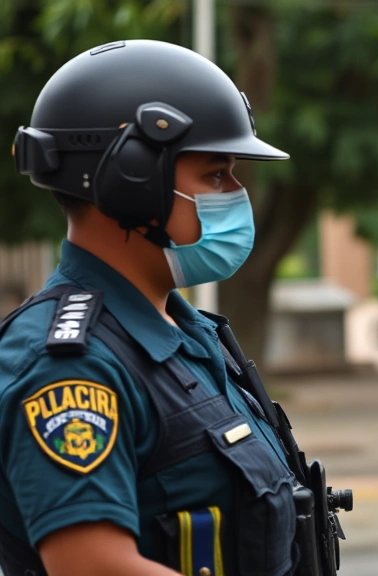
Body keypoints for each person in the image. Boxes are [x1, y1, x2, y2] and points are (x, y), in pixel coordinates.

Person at [0, 40, 300, 576]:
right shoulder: (72, 365)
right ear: (132, 182)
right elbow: (92, 566)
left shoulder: (192, 336)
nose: (236, 192)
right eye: (215, 174)